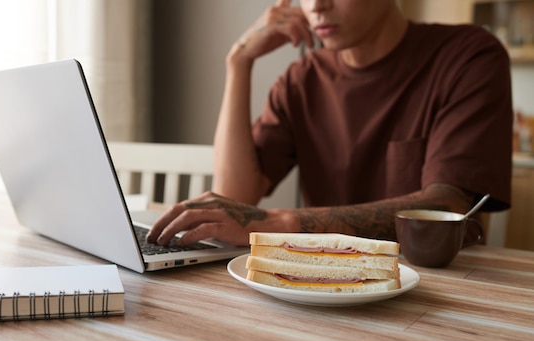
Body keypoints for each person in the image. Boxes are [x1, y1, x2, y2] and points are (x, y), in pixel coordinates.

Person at [147, 0, 512, 248]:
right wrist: (238, 62)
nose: (316, 4)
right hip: (319, 287)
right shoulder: (300, 81)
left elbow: (445, 208)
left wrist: (276, 223)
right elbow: (235, 200)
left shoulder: (469, 56)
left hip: (433, 296)